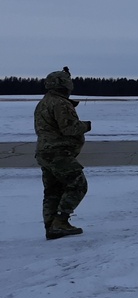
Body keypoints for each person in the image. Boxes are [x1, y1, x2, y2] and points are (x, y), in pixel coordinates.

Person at [34, 67, 91, 240]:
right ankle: (60, 221)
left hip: (45, 153)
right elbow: (69, 128)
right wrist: (86, 126)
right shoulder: (60, 103)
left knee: (52, 190)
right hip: (58, 153)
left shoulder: (44, 102)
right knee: (78, 184)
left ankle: (51, 225)